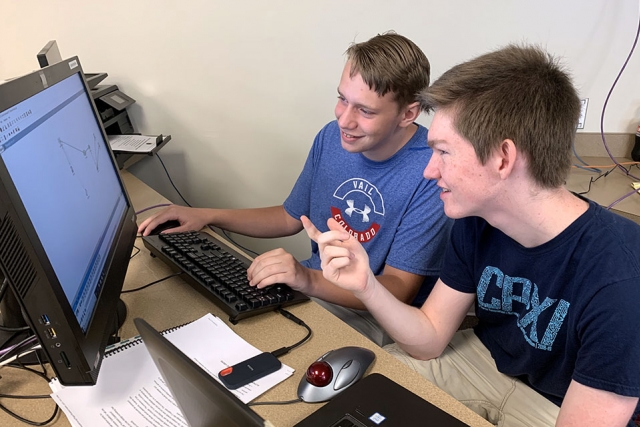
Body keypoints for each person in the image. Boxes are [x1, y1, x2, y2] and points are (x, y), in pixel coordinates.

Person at [302, 44, 640, 426]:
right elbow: (429, 340)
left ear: (502, 158)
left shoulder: (622, 281)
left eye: (443, 152)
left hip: (562, 404)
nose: (429, 171)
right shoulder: (476, 221)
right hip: (482, 362)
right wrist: (367, 286)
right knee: (361, 396)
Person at [138, 32, 452, 346]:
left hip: (375, 314)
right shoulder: (332, 138)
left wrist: (307, 280)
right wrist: (206, 216)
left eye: (365, 111)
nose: (345, 120)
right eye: (342, 99)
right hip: (314, 286)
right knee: (199, 318)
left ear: (408, 113)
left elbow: (400, 287)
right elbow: (291, 217)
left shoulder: (432, 171)